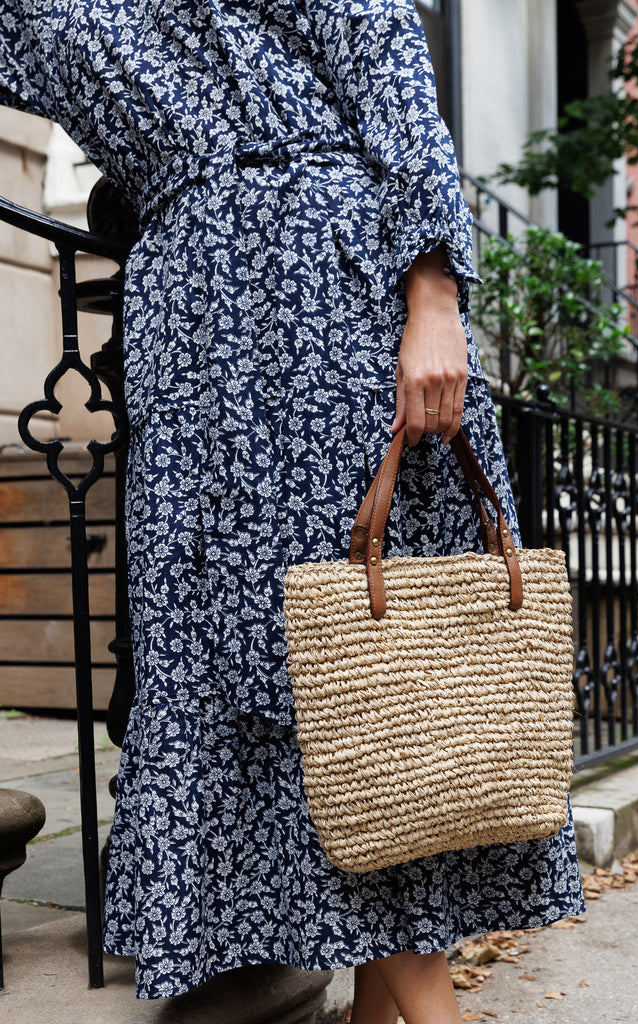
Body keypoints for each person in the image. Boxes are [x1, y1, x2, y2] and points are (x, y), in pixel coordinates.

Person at [0, 2, 585, 1019]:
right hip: (190, 318)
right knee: (263, 659)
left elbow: (384, 59)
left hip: (326, 288)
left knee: (362, 667)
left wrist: (434, 295)